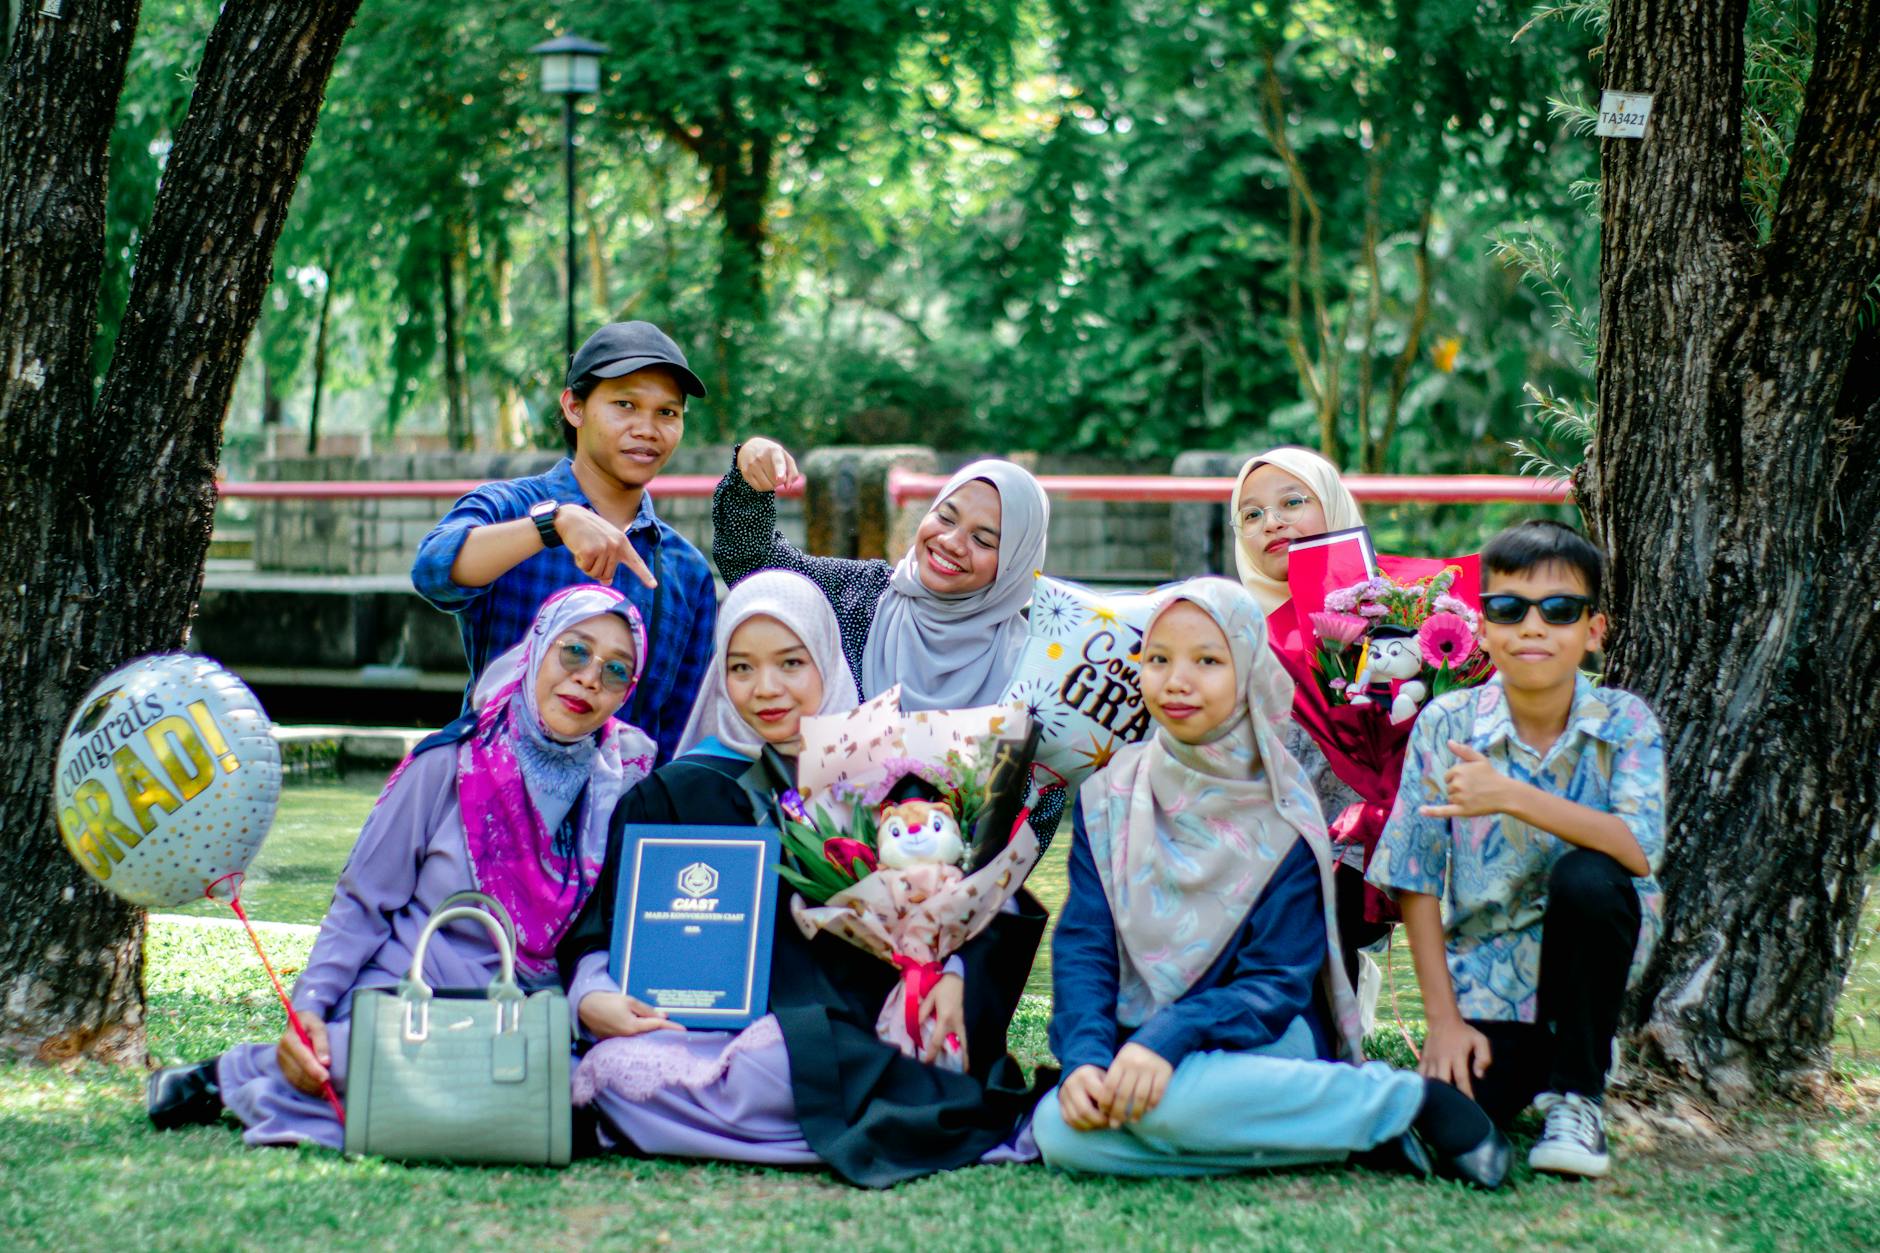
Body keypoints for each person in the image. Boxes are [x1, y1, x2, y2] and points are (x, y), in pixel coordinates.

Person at [558, 569, 1050, 1187]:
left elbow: (973, 895)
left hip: (866, 1027)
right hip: (714, 1036)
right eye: (741, 668)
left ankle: (782, 1122)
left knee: (792, 1063)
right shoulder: (677, 792)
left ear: (824, 654)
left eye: (790, 663)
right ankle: (829, 1124)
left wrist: (949, 972)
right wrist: (593, 995)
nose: (766, 689)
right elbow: (604, 925)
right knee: (615, 1072)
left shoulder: (887, 775)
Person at [1030, 577, 1508, 1186]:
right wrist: (1084, 1061)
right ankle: (1350, 1134)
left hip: (1263, 1040)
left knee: (1181, 1103)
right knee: (1061, 1130)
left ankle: (1407, 1101)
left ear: (1250, 670)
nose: (1177, 680)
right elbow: (1086, 947)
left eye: (1207, 660)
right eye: (1158, 659)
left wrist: (1169, 1037)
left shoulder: (1283, 808)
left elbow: (1275, 985)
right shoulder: (1109, 797)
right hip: (1139, 1040)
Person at [146, 586, 658, 1148]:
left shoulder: (624, 784)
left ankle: (255, 1077)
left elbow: (605, 932)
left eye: (615, 670)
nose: (589, 678)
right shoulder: (448, 762)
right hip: (411, 990)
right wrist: (309, 1010)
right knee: (360, 1061)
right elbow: (363, 901)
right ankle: (245, 1073)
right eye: (575, 652)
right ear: (538, 646)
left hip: (532, 1009)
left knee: (607, 1087)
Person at [1367, 520, 1665, 1179]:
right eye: (1509, 608)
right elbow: (1414, 876)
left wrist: (1507, 794)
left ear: (1593, 630)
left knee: (1590, 876)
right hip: (1490, 982)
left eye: (1559, 609)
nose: (1533, 626)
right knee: (1444, 1120)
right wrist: (1442, 1021)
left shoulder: (1625, 721)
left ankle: (1578, 1094)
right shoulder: (1446, 723)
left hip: (1590, 964)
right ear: (1482, 626)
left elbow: (1636, 849)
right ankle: (1527, 1068)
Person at [412, 321, 717, 764]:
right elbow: (433, 570)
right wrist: (551, 526)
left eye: (667, 413)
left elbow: (678, 728)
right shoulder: (510, 505)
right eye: (625, 405)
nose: (647, 429)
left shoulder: (685, 571)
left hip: (617, 812)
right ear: (575, 407)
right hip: (493, 797)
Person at [711, 438, 1050, 710]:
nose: (951, 542)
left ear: (1013, 564)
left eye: (982, 539)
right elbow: (753, 566)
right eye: (946, 518)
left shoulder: (1031, 667)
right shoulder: (862, 594)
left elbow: (1044, 784)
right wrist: (750, 475)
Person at [1229, 447, 1390, 991]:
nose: (1271, 522)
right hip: (1269, 848)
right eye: (1251, 514)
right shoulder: (1228, 632)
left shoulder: (1400, 615)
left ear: (1334, 506)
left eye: (1292, 502)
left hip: (1383, 842)